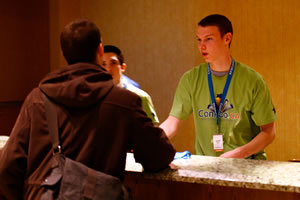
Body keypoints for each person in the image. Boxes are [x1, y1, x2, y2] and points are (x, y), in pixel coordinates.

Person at [0, 19, 175, 199]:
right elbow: (157, 155)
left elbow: (8, 167)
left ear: (63, 53)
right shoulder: (124, 102)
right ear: (100, 50)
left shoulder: (37, 99)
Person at [160, 14, 276, 159]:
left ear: (227, 38)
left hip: (246, 165)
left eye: (209, 39)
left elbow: (269, 132)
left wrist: (239, 153)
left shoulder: (253, 80)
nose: (202, 46)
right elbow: (173, 123)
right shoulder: (191, 79)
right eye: (199, 39)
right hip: (207, 166)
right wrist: (149, 140)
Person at [103, 45, 159, 124]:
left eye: (113, 63)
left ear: (123, 67)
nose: (108, 69)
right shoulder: (94, 96)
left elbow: (152, 131)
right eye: (103, 64)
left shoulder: (140, 96)